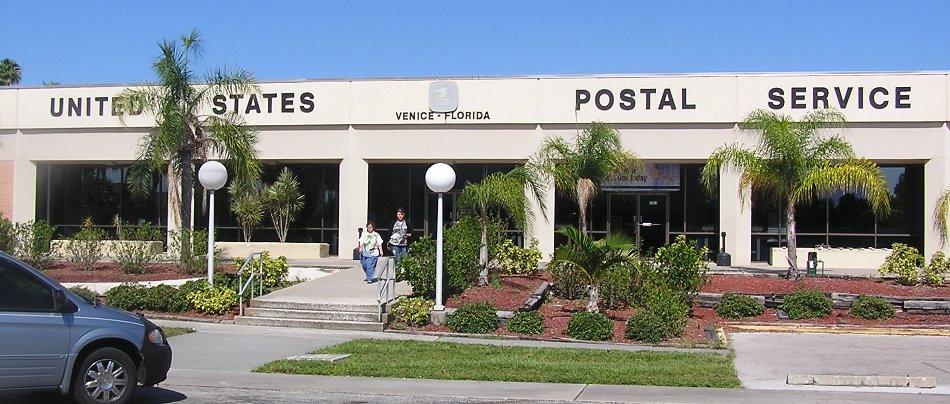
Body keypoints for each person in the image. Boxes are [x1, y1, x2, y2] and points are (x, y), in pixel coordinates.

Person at [388, 207, 412, 276]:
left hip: (404, 245)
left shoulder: (407, 223)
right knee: (397, 259)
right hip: (395, 244)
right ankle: (397, 274)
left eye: (401, 214)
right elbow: (389, 234)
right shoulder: (393, 223)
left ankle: (406, 273)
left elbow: (411, 233)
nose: (400, 216)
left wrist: (407, 235)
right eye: (399, 214)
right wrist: (388, 244)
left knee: (405, 260)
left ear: (404, 215)